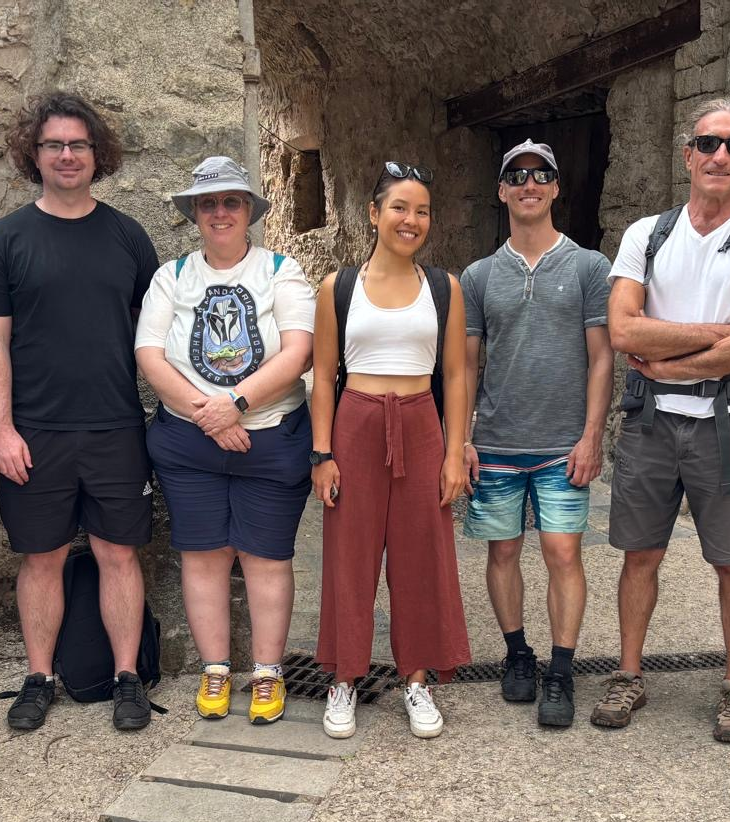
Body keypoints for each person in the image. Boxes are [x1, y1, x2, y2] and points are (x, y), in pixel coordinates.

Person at [596, 98, 730, 743]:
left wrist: (676, 362)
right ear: (688, 154)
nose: (721, 156)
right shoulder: (646, 234)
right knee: (639, 556)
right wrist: (720, 336)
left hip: (728, 426)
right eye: (710, 143)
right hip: (650, 422)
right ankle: (629, 673)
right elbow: (624, 327)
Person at [0, 91, 161, 732]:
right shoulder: (6, 238)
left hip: (115, 427)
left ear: (95, 154)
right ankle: (38, 676)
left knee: (118, 554)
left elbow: (154, 335)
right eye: (53, 144)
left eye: (77, 144)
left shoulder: (128, 237)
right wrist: (0, 429)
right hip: (35, 433)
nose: (65, 155)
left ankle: (127, 678)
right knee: (43, 557)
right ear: (35, 154)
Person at [135, 156, 314, 724]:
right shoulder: (173, 276)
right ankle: (215, 669)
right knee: (204, 555)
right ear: (194, 213)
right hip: (190, 445)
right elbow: (149, 354)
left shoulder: (281, 271)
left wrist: (235, 404)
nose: (219, 212)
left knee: (265, 558)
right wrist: (208, 415)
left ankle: (266, 673)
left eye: (230, 202)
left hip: (268, 439)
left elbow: (298, 352)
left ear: (248, 211)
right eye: (208, 203)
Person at [311, 162, 471, 739]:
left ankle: (418, 678)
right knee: (349, 556)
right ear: (374, 214)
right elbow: (325, 374)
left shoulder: (444, 289)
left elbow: (454, 375)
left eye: (422, 210)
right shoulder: (339, 288)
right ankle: (345, 677)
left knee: (421, 556)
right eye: (400, 208)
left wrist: (455, 452)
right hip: (355, 422)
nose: (412, 220)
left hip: (420, 425)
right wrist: (322, 454)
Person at [460, 140, 613, 727]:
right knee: (502, 551)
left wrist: (592, 435)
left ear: (555, 188)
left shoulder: (587, 267)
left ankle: (561, 669)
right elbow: (467, 365)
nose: (529, 183)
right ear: (502, 191)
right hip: (496, 441)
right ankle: (517, 655)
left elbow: (602, 358)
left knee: (562, 552)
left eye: (541, 174)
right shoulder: (478, 275)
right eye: (516, 175)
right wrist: (463, 438)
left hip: (561, 445)